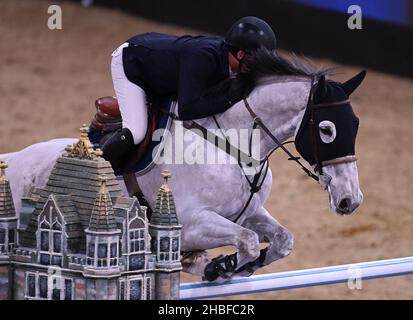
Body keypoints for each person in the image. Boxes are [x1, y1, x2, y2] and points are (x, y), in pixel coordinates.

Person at [102, 16, 276, 168]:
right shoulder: (203, 57)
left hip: (160, 69)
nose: (256, 68)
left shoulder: (228, 63)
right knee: (137, 131)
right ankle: (96, 169)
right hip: (131, 63)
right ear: (239, 54)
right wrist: (229, 99)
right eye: (254, 62)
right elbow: (187, 111)